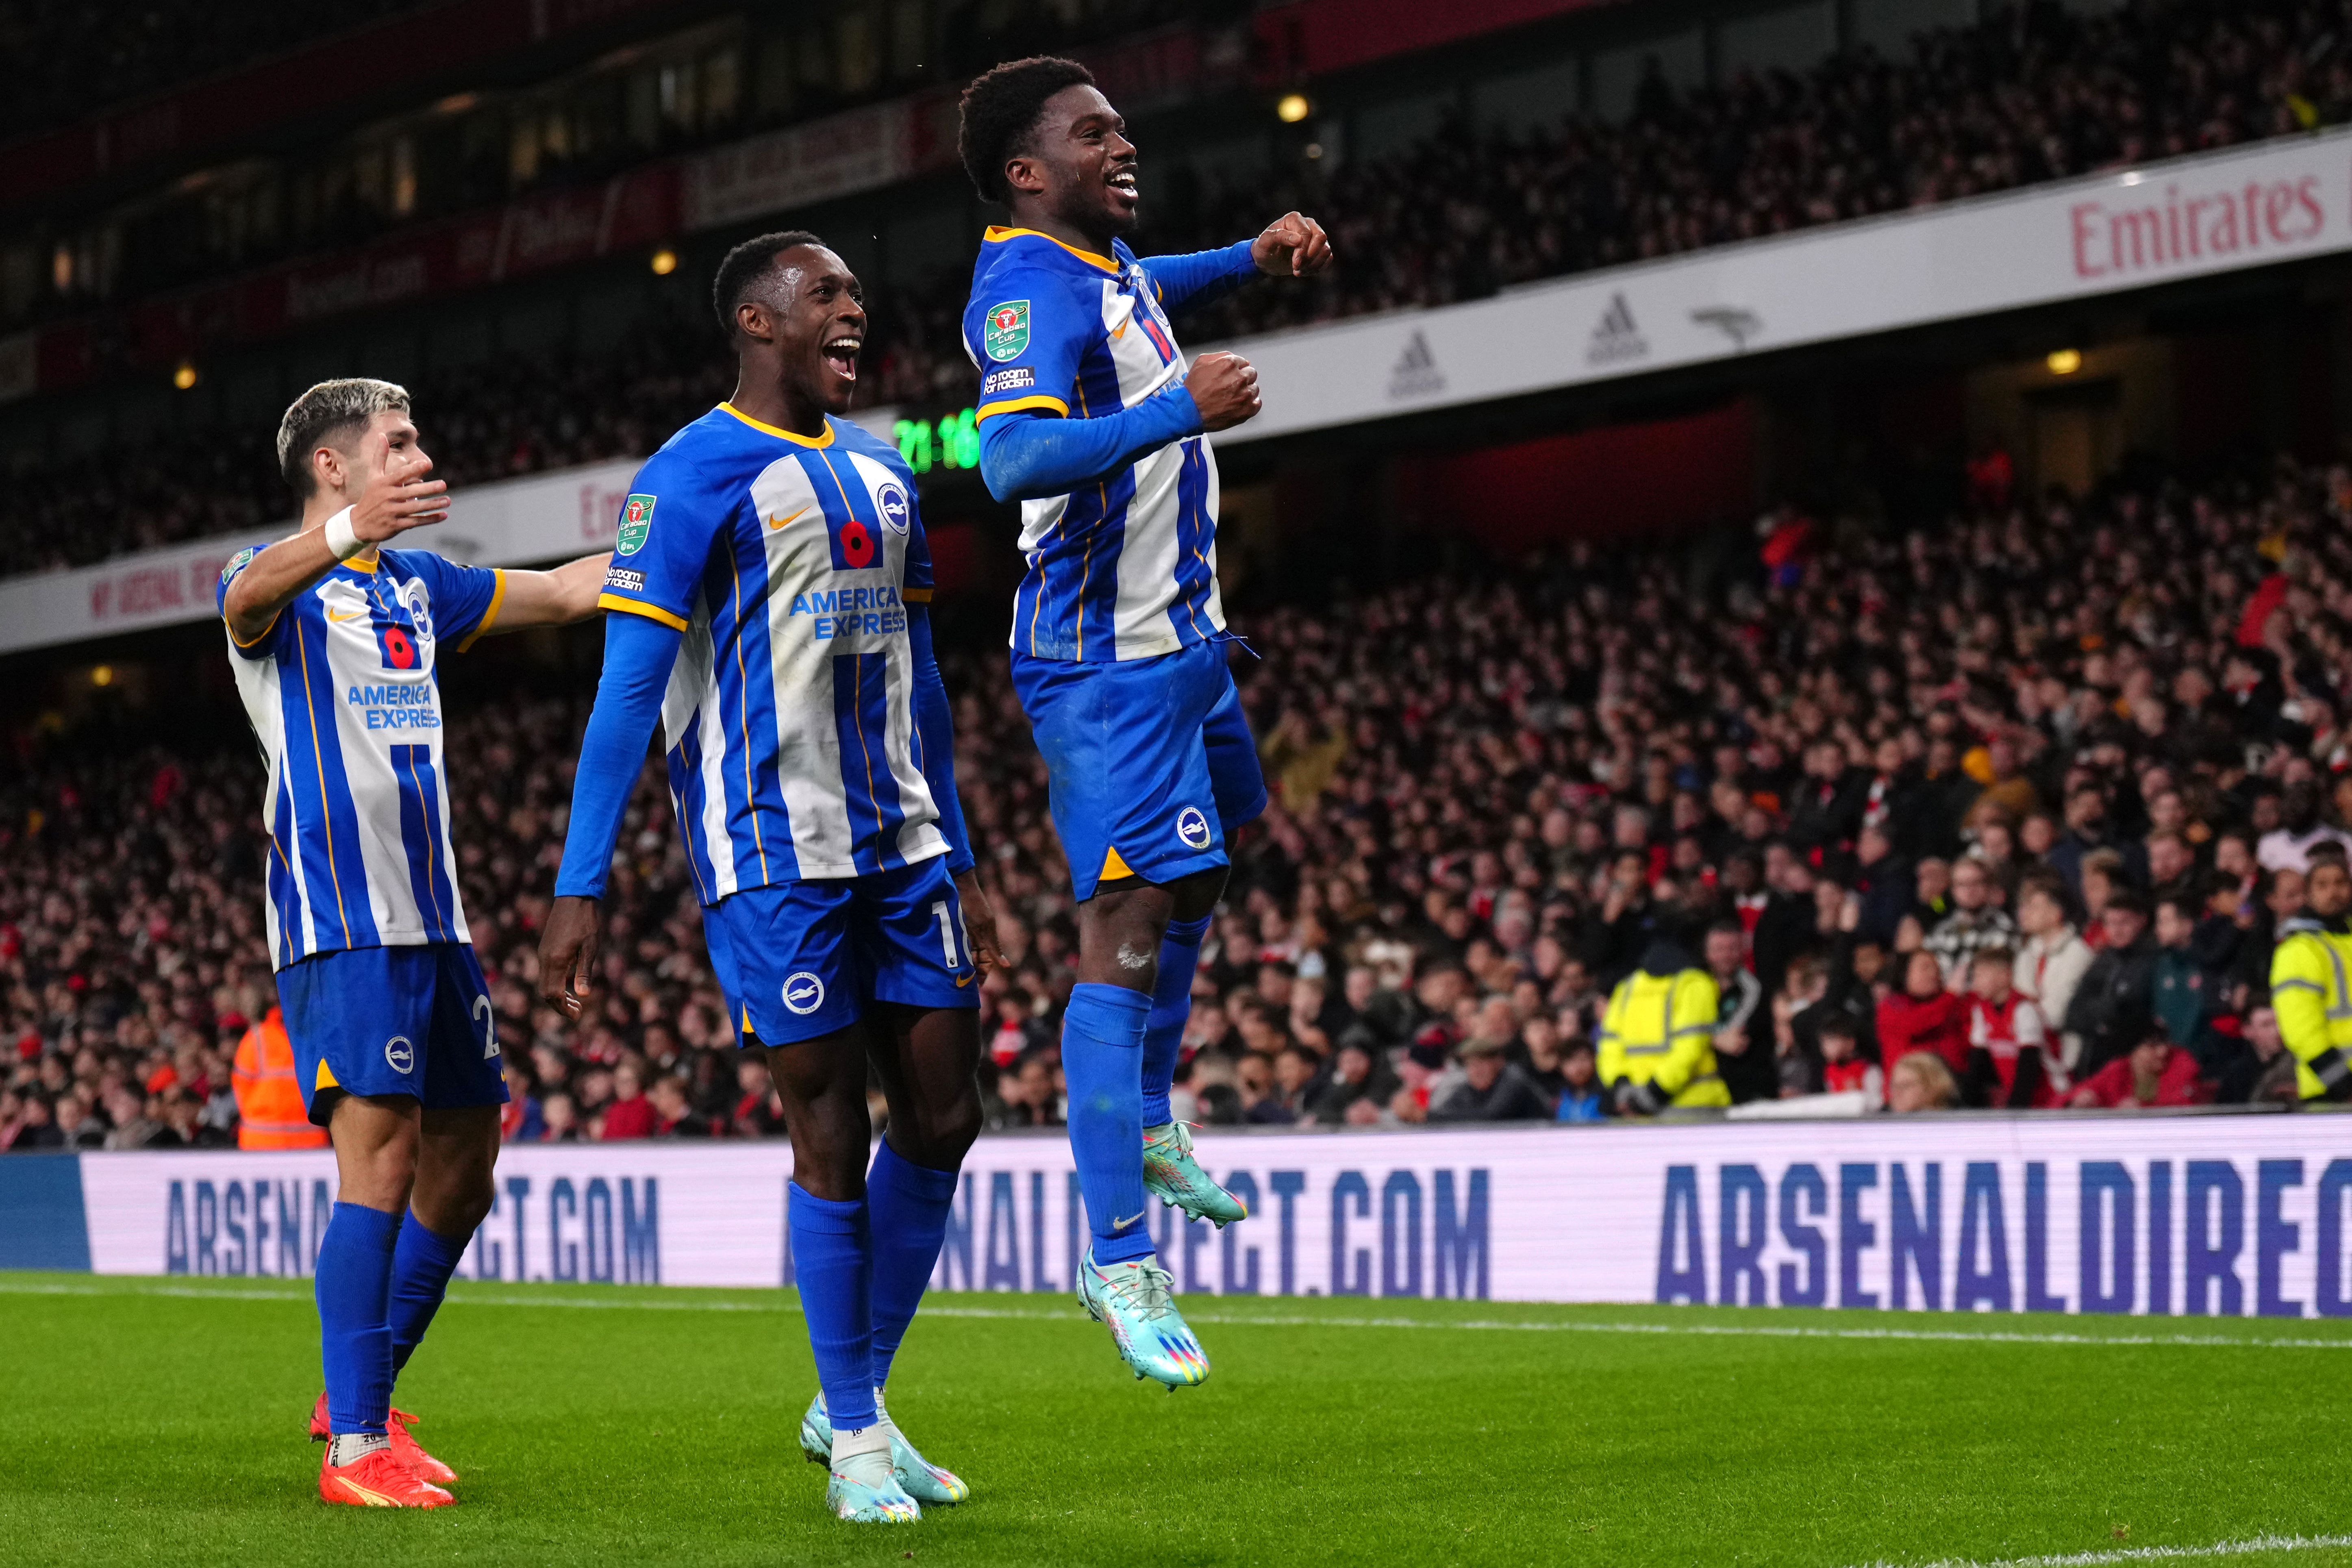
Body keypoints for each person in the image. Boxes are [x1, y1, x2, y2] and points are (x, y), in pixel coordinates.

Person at [538, 233, 1003, 1525]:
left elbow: (920, 672)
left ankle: (850, 1393)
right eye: (826, 295)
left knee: (946, 1116)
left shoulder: (884, 466)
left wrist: (957, 840)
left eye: (858, 290)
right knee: (831, 1132)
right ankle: (854, 1429)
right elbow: (630, 686)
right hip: (770, 852)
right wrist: (582, 884)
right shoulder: (687, 475)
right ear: (756, 319)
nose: (855, 309)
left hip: (903, 843)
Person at [954, 55, 1330, 1385]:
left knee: (1213, 858)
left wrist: (1248, 252)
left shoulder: (1099, 270)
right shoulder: (1020, 289)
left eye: (1119, 128)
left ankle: (1150, 1113)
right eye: (1090, 133)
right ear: (1024, 170)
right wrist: (1180, 408)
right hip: (1103, 668)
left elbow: (1140, 292)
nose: (1122, 146)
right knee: (1122, 929)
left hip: (1181, 645)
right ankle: (1116, 1253)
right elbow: (1006, 459)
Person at [217, 377, 609, 1509]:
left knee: (468, 1168)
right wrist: (344, 537)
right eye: (396, 442)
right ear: (332, 466)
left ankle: (364, 1397)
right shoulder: (275, 592)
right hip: (342, 925)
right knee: (379, 1162)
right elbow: (245, 591)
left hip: (437, 925)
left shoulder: (419, 587)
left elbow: (570, 590)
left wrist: (678, 531)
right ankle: (353, 1449)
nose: (417, 455)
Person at [1596, 937, 1730, 1113]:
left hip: (1634, 1105)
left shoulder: (1627, 987)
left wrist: (1621, 1086)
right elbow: (1690, 1048)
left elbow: (1609, 1047)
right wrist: (1654, 1092)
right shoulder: (1695, 984)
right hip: (1692, 1104)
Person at [2266, 855, 2352, 1104]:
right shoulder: (2299, 949)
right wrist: (2343, 1086)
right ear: (2307, 894)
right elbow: (2301, 1030)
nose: (2333, 892)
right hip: (2331, 1094)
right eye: (2322, 885)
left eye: (2340, 883)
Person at [2013, 871, 2092, 1071]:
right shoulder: (2027, 953)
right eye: (2025, 906)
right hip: (2030, 1052)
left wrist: (2027, 1013)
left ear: (2057, 913)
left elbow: (2057, 1014)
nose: (2026, 912)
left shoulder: (2078, 953)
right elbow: (2015, 1006)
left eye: (2035, 907)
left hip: (2066, 1057)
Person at [1961, 948, 2059, 1109]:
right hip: (2020, 1101)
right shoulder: (1981, 1011)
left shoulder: (2024, 1009)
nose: (1975, 983)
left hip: (2050, 1098)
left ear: (2004, 976)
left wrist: (2015, 1111)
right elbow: (1978, 1064)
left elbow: (2029, 1066)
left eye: (1981, 975)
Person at [230, 1005, 328, 1150]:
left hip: (308, 1142)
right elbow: (241, 1087)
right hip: (262, 1142)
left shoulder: (318, 1035)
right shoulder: (258, 1037)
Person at [2068, 1019, 2213, 1108]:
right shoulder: (2118, 1070)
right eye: (2153, 1046)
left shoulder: (2181, 1062)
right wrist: (2079, 1100)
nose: (2163, 1051)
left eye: (2165, 1042)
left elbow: (2187, 1102)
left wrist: (2143, 1110)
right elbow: (2068, 1097)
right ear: (2133, 1052)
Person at [1430, 1035, 1553, 1121]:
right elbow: (1447, 1111)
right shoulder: (1469, 1088)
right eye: (1471, 1065)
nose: (1476, 1071)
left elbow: (1492, 1117)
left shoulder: (1513, 1081)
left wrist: (1430, 1116)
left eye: (1481, 1064)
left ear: (1499, 1062)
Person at [1886, 1051, 1960, 1112]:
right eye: (1894, 1086)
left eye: (1905, 1086)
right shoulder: (1880, 1123)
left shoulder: (1959, 1123)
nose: (1897, 1093)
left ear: (1931, 1086)